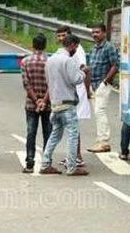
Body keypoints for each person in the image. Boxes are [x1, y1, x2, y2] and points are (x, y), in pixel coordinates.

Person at [40, 34, 89, 176]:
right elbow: (75, 79)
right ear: (72, 45)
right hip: (67, 104)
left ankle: (45, 164)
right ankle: (72, 167)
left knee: (55, 135)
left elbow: (48, 81)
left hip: (55, 104)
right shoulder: (69, 60)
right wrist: (83, 72)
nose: (76, 50)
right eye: (76, 47)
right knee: (73, 135)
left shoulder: (50, 60)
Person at [54, 25, 90, 168]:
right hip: (70, 90)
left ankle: (77, 156)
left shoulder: (76, 50)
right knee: (70, 125)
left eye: (63, 35)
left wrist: (87, 92)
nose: (61, 38)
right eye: (58, 36)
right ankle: (73, 155)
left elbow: (84, 70)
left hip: (76, 91)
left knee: (73, 125)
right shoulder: (66, 51)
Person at [20, 34, 51, 173]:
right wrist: (44, 100)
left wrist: (36, 101)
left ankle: (29, 163)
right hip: (48, 104)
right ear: (45, 46)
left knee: (31, 133)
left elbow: (26, 84)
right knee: (48, 133)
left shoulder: (25, 61)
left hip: (31, 104)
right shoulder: (50, 61)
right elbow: (52, 84)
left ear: (32, 46)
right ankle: (46, 162)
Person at [87, 23, 118, 153]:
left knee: (100, 111)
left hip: (102, 84)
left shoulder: (109, 47)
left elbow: (115, 65)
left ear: (104, 33)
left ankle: (104, 142)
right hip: (93, 84)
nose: (94, 34)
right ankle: (100, 141)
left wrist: (105, 81)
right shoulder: (94, 48)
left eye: (97, 32)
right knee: (97, 112)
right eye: (93, 32)